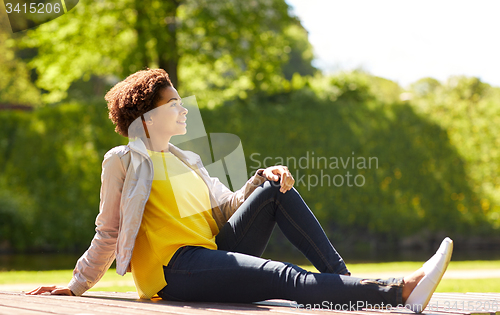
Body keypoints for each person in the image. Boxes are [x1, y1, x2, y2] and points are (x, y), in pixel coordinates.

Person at [28, 68, 453, 313]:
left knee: (274, 190)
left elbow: (226, 207)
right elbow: (109, 230)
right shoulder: (122, 160)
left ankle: (343, 285)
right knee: (285, 276)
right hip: (173, 271)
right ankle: (399, 290)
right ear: (146, 117)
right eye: (172, 104)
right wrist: (77, 284)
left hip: (209, 249)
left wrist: (259, 178)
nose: (182, 108)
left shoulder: (185, 159)